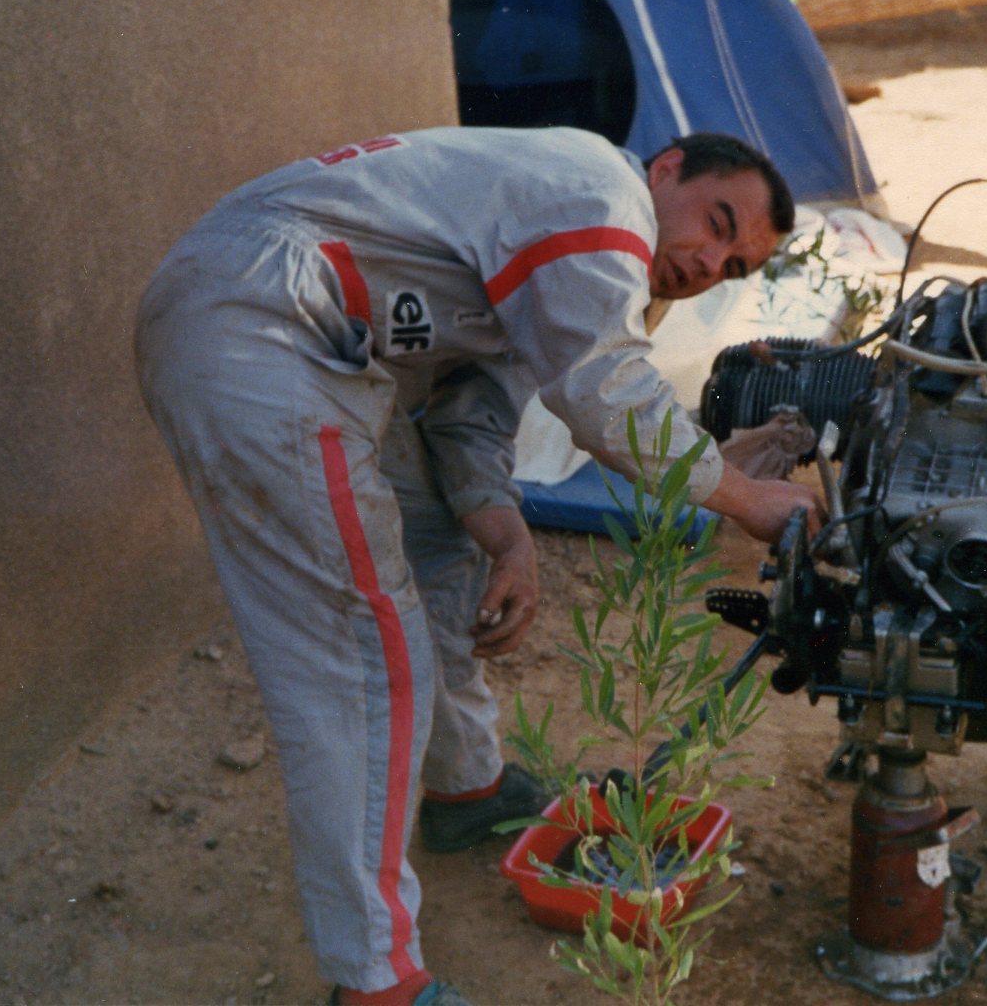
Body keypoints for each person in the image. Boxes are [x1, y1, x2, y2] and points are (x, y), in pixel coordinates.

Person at [134, 125, 825, 1006]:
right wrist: (744, 495)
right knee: (362, 654)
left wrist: (509, 538)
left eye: (732, 268)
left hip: (296, 326)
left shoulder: (562, 237)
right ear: (666, 169)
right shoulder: (599, 194)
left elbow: (473, 412)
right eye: (716, 223)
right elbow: (604, 392)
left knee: (440, 543)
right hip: (264, 321)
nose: (706, 264)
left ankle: (467, 788)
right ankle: (377, 983)